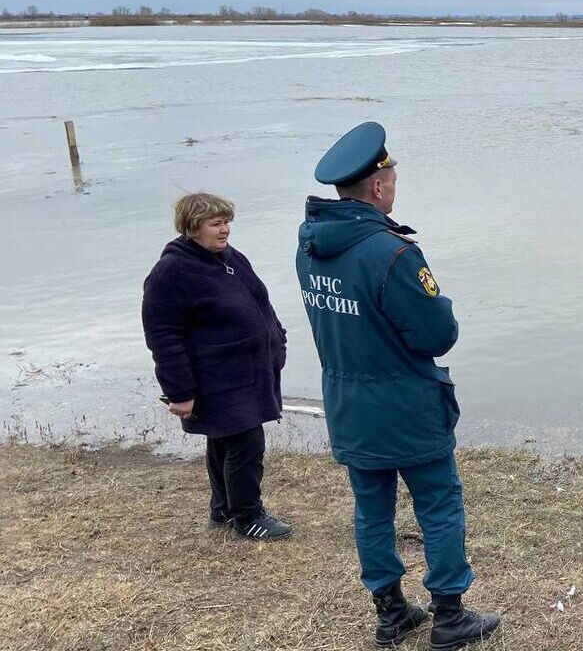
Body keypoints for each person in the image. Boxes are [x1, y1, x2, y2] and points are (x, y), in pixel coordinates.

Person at [295, 121, 499, 650]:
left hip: (348, 402)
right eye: (392, 176)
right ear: (379, 186)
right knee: (439, 504)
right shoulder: (391, 254)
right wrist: (444, 306)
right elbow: (437, 333)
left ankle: (390, 613)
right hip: (405, 403)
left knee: (372, 509)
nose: (394, 185)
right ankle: (450, 615)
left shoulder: (310, 248)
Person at [141, 192, 292, 541]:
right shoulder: (171, 273)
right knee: (246, 442)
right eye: (216, 223)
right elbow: (163, 336)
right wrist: (180, 391)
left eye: (227, 222)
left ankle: (223, 509)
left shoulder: (229, 257)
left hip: (247, 371)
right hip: (217, 377)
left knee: (224, 440)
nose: (224, 230)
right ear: (193, 227)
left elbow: (260, 301)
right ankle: (248, 516)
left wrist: (277, 338)